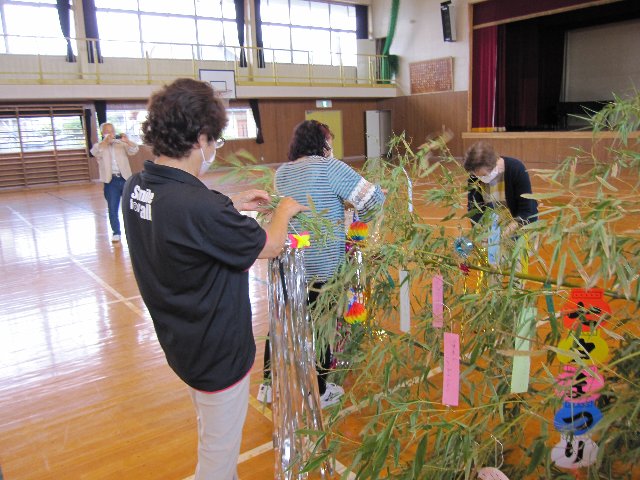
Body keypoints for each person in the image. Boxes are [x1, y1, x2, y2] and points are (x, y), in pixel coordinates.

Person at [122, 78, 307, 480]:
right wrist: (285, 210)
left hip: (182, 339)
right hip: (217, 351)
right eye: (215, 142)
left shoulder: (138, 187)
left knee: (213, 434)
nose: (213, 150)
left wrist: (230, 205)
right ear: (202, 137)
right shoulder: (198, 207)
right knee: (218, 457)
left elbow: (187, 223)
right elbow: (271, 244)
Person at [257, 119, 386, 408]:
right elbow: (373, 199)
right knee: (322, 325)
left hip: (289, 261)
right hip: (323, 264)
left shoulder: (283, 173)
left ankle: (268, 385)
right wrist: (362, 211)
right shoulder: (330, 167)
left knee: (282, 322)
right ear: (323, 142)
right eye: (330, 141)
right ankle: (319, 389)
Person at [464, 141, 538, 271]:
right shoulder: (474, 178)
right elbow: (474, 210)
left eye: (482, 175)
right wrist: (482, 231)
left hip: (518, 229)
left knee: (515, 274)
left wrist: (506, 232)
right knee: (493, 273)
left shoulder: (516, 169)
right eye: (475, 175)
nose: (479, 178)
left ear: (492, 165)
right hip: (494, 233)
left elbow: (528, 211)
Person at [90, 122, 139, 243]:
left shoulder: (120, 144)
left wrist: (127, 141)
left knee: (130, 207)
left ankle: (134, 231)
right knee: (112, 208)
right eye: (107, 131)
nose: (110, 134)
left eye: (112, 131)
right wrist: (105, 142)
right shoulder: (99, 146)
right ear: (102, 133)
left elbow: (134, 150)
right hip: (110, 181)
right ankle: (116, 232)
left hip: (125, 179)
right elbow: (94, 152)